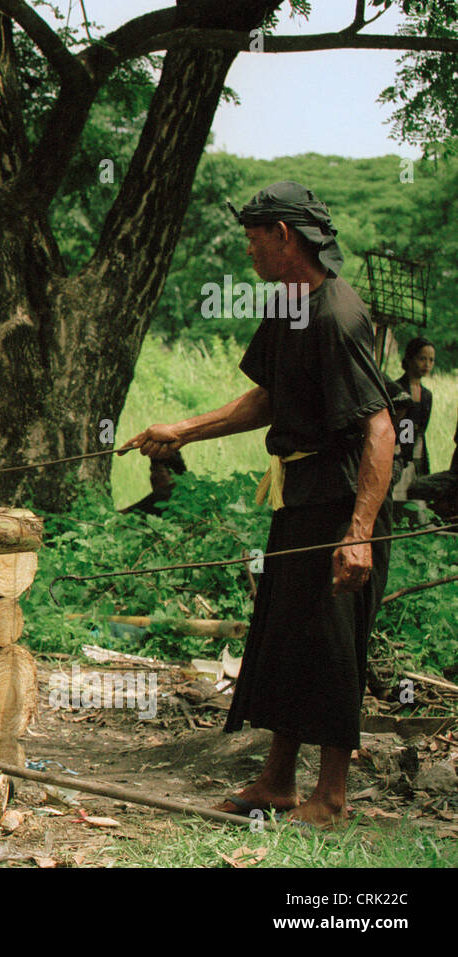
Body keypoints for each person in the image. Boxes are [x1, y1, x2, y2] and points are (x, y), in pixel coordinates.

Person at [125, 181, 395, 829]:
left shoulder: (338, 313)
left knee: (332, 646)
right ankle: (277, 780)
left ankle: (329, 797)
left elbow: (380, 429)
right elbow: (266, 398)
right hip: (298, 496)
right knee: (281, 636)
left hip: (343, 503)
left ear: (286, 237)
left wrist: (358, 534)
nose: (248, 249)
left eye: (254, 237)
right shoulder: (289, 306)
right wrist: (182, 430)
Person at [390, 336, 435, 501]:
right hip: (397, 452)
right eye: (422, 358)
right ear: (409, 359)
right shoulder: (396, 389)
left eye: (431, 360)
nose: (427, 364)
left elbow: (422, 430)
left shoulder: (427, 395)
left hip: (417, 453)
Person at [121, 450, 187, 515]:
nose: (153, 477)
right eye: (152, 471)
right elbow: (123, 514)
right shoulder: (154, 500)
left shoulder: (189, 506)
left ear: (174, 476)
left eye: (158, 472)